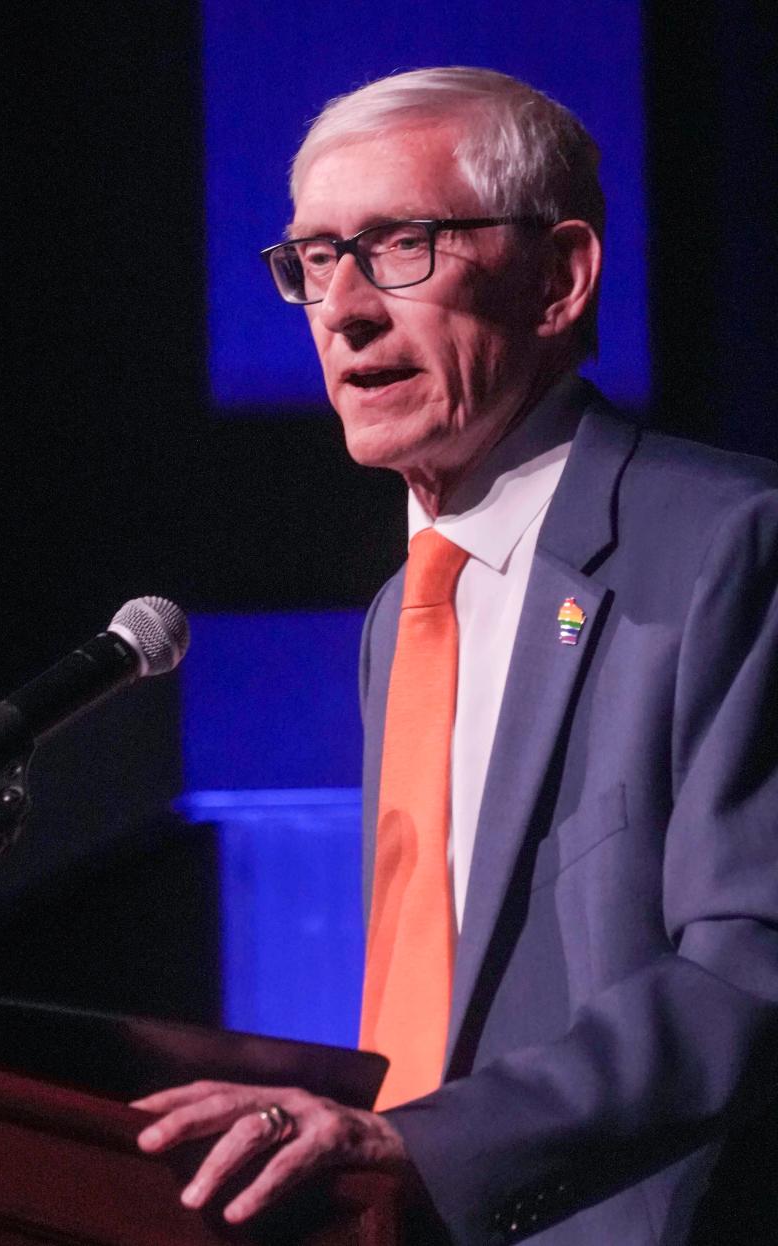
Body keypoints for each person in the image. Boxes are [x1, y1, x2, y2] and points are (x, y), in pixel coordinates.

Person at [133, 68, 778, 1244]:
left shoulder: (727, 544)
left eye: (402, 246)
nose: (344, 307)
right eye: (315, 259)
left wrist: (414, 1146)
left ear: (560, 278)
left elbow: (751, 973)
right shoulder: (398, 613)